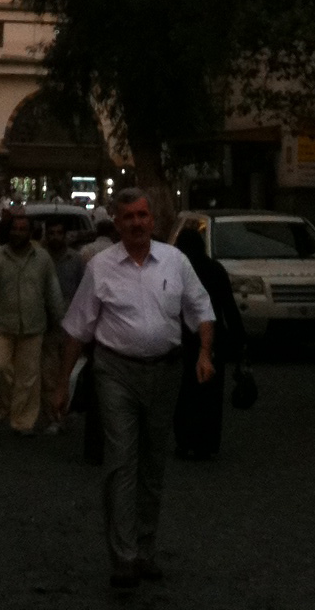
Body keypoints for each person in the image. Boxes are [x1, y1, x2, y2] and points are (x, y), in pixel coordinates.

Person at [55, 188, 215, 587]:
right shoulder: (101, 267)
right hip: (115, 373)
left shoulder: (176, 262)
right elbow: (78, 327)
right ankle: (124, 556)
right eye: (129, 217)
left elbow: (201, 309)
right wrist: (61, 384)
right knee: (122, 460)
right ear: (117, 222)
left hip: (165, 372)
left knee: (153, 463)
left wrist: (205, 352)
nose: (137, 223)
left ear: (153, 220)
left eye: (143, 215)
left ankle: (146, 550)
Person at [0, 209, 65, 435]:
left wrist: (61, 321)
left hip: (33, 326)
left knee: (28, 378)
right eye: (15, 228)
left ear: (30, 232)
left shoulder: (42, 258)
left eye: (23, 229)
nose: (18, 233)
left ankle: (22, 422)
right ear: (9, 230)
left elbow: (52, 291)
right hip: (1, 324)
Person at [171, 217, 246, 461]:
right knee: (210, 395)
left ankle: (184, 440)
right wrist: (239, 339)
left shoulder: (177, 271)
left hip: (183, 337)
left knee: (184, 394)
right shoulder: (215, 269)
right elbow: (228, 307)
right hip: (213, 339)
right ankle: (206, 442)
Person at [40, 221, 84, 433]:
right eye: (51, 233)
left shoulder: (76, 260)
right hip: (47, 323)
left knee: (68, 372)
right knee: (49, 372)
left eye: (59, 232)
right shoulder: (39, 259)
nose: (55, 237)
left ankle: (65, 409)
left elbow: (83, 291)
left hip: (72, 325)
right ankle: (54, 416)